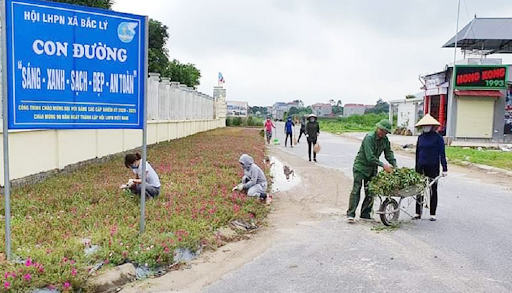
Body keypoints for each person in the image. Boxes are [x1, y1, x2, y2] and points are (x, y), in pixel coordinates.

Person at [347, 119, 397, 223]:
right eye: (383, 131)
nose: (384, 134)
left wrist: (395, 165)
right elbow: (370, 157)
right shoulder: (369, 138)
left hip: (372, 168)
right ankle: (351, 214)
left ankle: (365, 214)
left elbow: (388, 154)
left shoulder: (385, 140)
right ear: (378, 128)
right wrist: (383, 165)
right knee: (356, 190)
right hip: (361, 167)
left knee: (370, 191)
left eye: (386, 132)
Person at [414, 114, 448, 222]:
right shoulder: (421, 138)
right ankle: (417, 212)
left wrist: (445, 168)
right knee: (419, 189)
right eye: (424, 126)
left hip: (433, 166)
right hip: (421, 166)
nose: (426, 127)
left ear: (432, 126)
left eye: (428, 125)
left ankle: (432, 213)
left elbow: (442, 154)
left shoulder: (438, 138)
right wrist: (416, 168)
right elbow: (417, 153)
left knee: (433, 189)